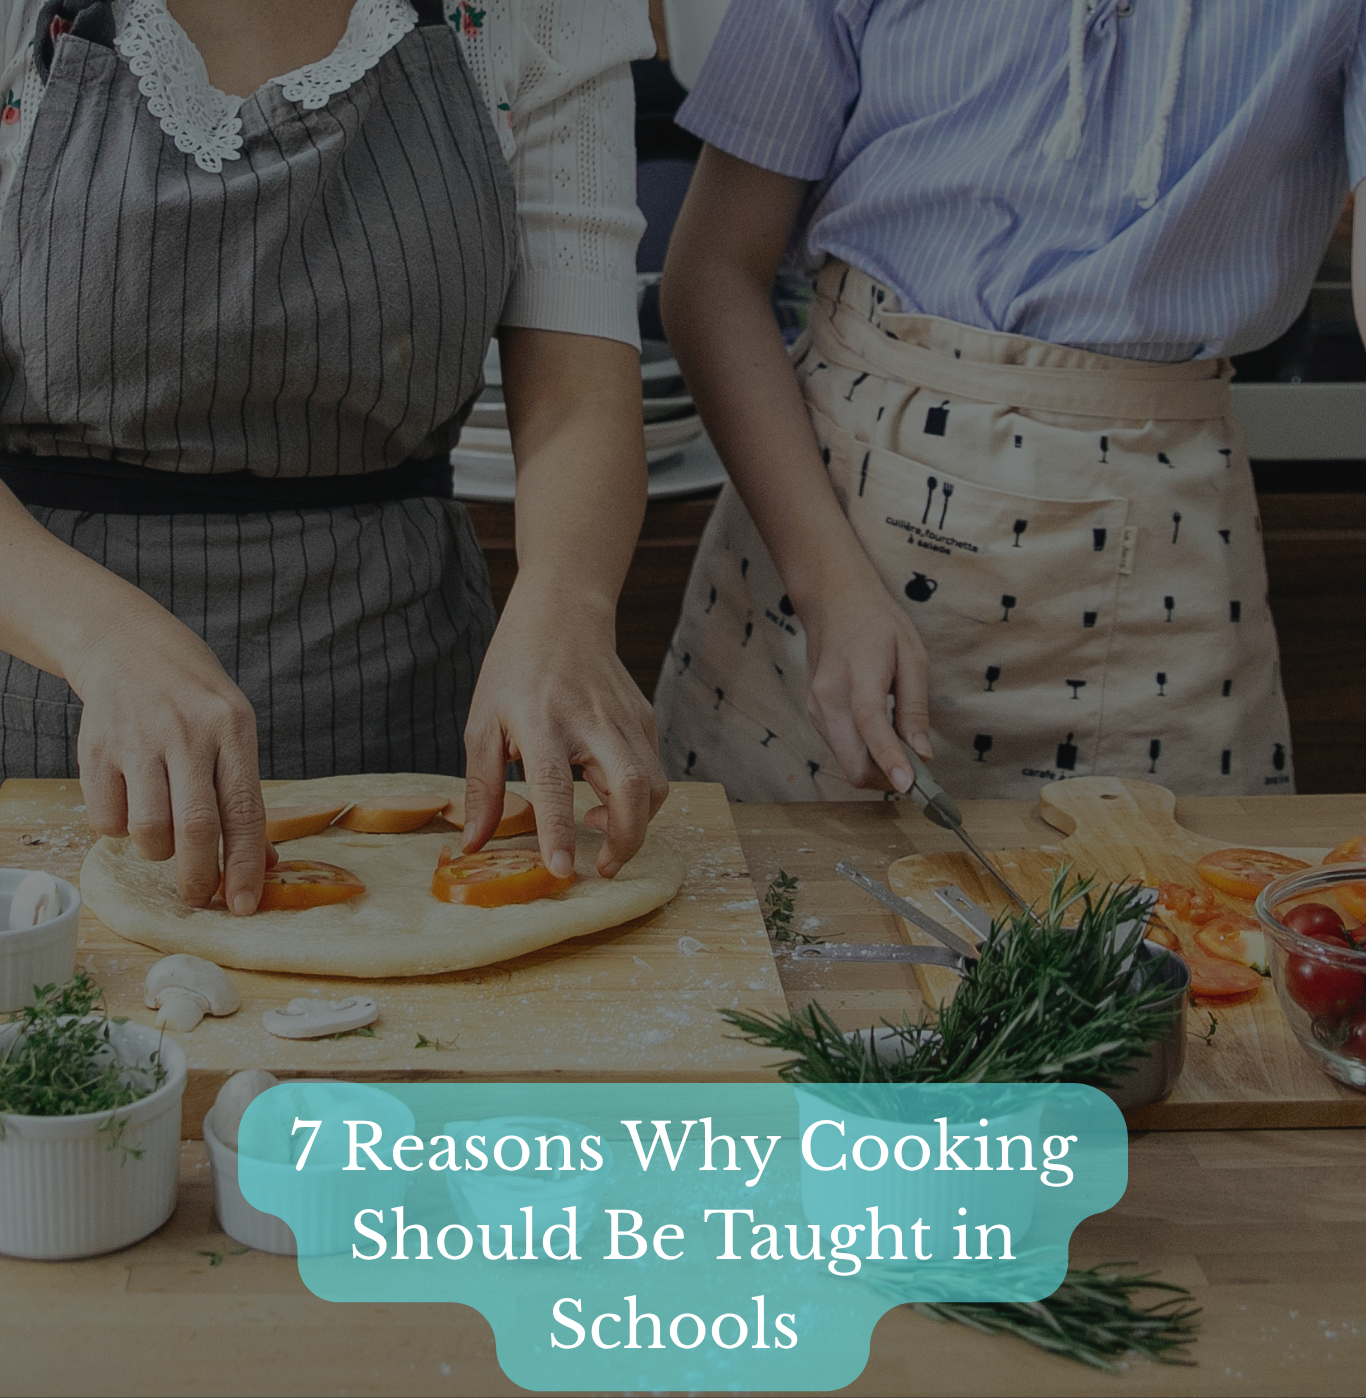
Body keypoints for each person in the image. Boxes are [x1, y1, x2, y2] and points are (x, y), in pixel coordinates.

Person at [0, 0, 667, 914]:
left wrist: (569, 601)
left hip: (403, 695)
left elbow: (577, 398)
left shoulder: (537, 14)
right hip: (44, 711)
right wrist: (99, 638)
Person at [654, 0, 1363, 804]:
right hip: (820, 540)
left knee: (1177, 888)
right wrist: (828, 590)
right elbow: (712, 273)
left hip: (1163, 573)